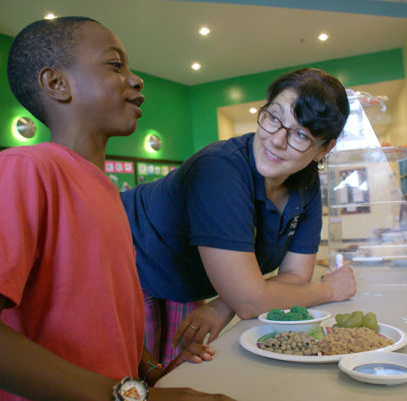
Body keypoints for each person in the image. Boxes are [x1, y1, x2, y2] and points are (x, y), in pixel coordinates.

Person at [0, 16, 235, 401]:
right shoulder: (28, 168)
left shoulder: (108, 192)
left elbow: (108, 324)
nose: (136, 79)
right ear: (56, 84)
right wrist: (135, 397)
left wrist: (153, 373)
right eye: (115, 64)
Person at [121, 68, 357, 366]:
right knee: (132, 383)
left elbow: (295, 277)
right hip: (127, 264)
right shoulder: (220, 169)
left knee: (175, 373)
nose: (277, 141)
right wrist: (330, 289)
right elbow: (250, 302)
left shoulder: (306, 183)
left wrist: (225, 303)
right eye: (274, 118)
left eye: (300, 134)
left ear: (325, 148)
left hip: (185, 280)